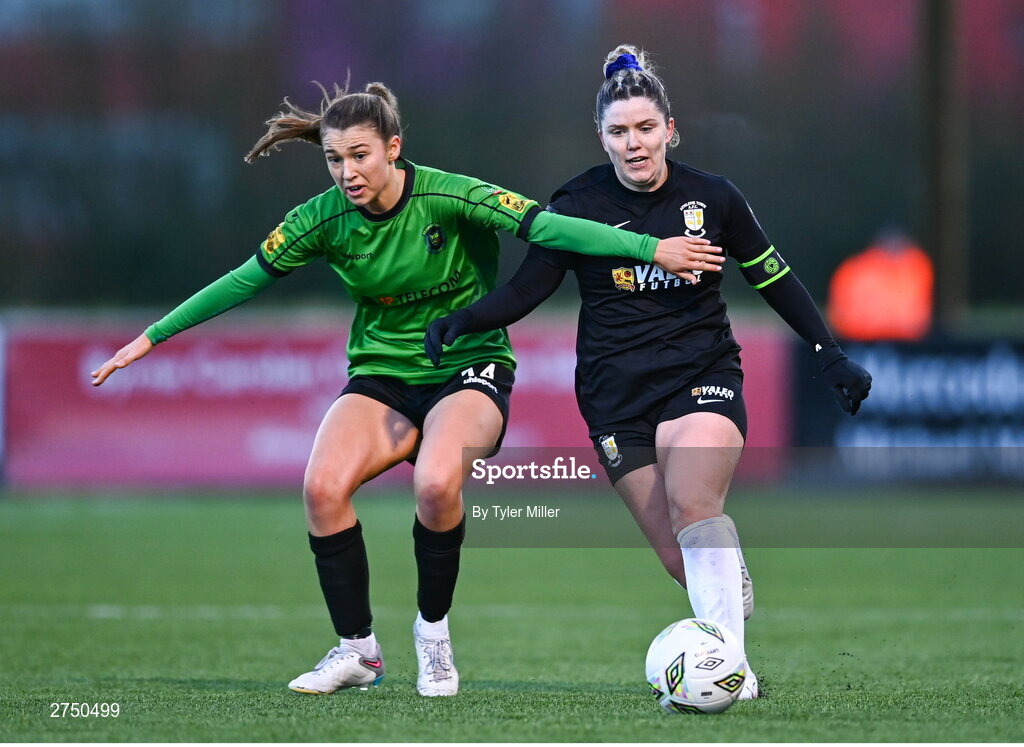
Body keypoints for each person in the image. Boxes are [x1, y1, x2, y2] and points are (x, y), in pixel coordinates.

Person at [89, 80, 721, 698]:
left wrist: (648, 248)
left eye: (359, 155)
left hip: (468, 367)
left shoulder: (450, 195)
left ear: (393, 147)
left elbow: (551, 228)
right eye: (334, 158)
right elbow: (243, 280)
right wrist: (152, 336)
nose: (346, 171)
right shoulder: (321, 219)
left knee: (437, 484)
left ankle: (433, 634)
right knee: (320, 488)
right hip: (383, 377)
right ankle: (357, 650)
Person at [425, 46, 872, 700]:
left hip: (702, 375)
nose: (633, 144)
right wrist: (463, 320)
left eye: (644, 128)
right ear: (600, 137)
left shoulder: (714, 198)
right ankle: (723, 580)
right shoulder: (574, 203)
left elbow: (772, 275)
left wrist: (827, 350)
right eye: (618, 132)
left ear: (670, 129)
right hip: (614, 399)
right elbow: (527, 290)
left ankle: (733, 676)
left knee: (695, 498)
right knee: (678, 553)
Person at [827, 228, 934, 341]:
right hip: (859, 342)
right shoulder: (856, 270)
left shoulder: (916, 267)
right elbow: (841, 316)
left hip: (905, 343)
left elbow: (916, 318)